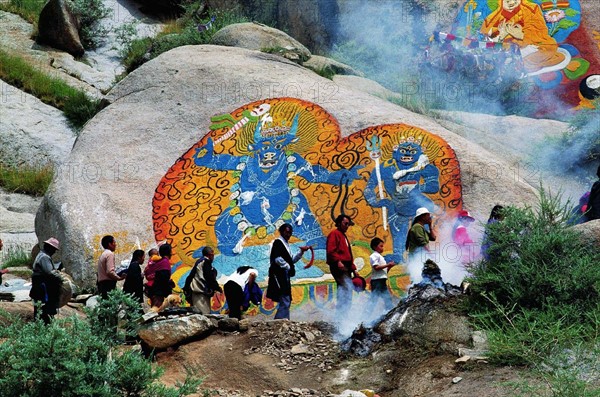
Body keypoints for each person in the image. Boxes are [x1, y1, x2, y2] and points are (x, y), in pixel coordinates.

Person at [480, 0, 565, 73]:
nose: (512, 3)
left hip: (532, 45)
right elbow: (486, 33)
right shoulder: (496, 16)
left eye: (515, 0)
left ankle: (518, 64)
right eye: (507, 1)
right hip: (507, 48)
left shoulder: (532, 9)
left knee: (550, 46)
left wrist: (521, 35)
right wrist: (503, 34)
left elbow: (541, 31)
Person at [266, 224, 310, 319]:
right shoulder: (278, 242)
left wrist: (301, 252)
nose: (288, 234)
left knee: (286, 299)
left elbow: (291, 259)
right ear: (282, 231)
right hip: (279, 275)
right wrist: (288, 267)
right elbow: (277, 259)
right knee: (285, 299)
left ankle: (284, 321)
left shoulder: (286, 244)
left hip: (284, 275)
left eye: (290, 232)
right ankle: (280, 322)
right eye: (287, 232)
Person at [326, 214, 359, 316]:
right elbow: (331, 250)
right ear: (339, 223)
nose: (347, 226)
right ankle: (340, 316)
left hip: (346, 267)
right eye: (345, 223)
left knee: (348, 290)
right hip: (339, 266)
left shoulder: (343, 235)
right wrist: (337, 261)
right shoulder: (334, 234)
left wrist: (354, 269)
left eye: (348, 224)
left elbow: (348, 255)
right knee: (345, 289)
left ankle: (344, 315)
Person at [29, 238, 63, 324]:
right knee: (44, 307)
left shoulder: (41, 255)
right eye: (54, 249)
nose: (54, 252)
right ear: (49, 247)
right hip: (42, 286)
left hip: (39, 285)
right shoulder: (44, 257)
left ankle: (42, 323)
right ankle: (44, 324)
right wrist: (60, 276)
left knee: (40, 307)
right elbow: (50, 272)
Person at [185, 246, 222, 314]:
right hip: (200, 290)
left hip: (196, 291)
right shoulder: (205, 262)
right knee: (203, 313)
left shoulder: (199, 262)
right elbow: (209, 277)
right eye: (212, 255)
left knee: (198, 312)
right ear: (210, 254)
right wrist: (217, 287)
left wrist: (186, 288)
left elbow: (190, 276)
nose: (213, 257)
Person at [369, 237, 396, 311]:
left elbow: (383, 271)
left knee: (386, 298)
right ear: (375, 247)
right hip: (377, 281)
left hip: (381, 280)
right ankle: (365, 316)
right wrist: (387, 265)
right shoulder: (374, 256)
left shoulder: (380, 257)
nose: (382, 248)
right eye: (380, 246)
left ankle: (389, 312)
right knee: (374, 300)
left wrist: (389, 266)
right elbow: (376, 267)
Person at [146, 243, 173, 310]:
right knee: (157, 310)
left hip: (155, 292)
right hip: (158, 293)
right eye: (171, 251)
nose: (172, 253)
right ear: (169, 252)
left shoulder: (159, 262)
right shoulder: (165, 262)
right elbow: (163, 279)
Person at [97, 235, 124, 299]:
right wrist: (119, 278)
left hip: (102, 284)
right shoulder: (110, 254)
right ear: (109, 244)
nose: (115, 245)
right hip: (108, 284)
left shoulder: (103, 254)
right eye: (114, 242)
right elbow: (110, 271)